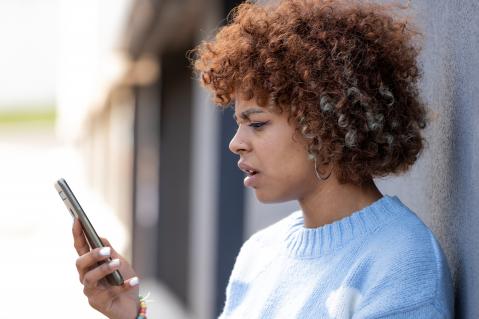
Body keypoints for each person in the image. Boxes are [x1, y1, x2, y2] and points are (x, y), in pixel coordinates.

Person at [72, 0, 454, 318]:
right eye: (238, 124)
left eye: (256, 123)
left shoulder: (402, 262)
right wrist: (133, 312)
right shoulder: (262, 251)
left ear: (323, 124)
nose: (236, 144)